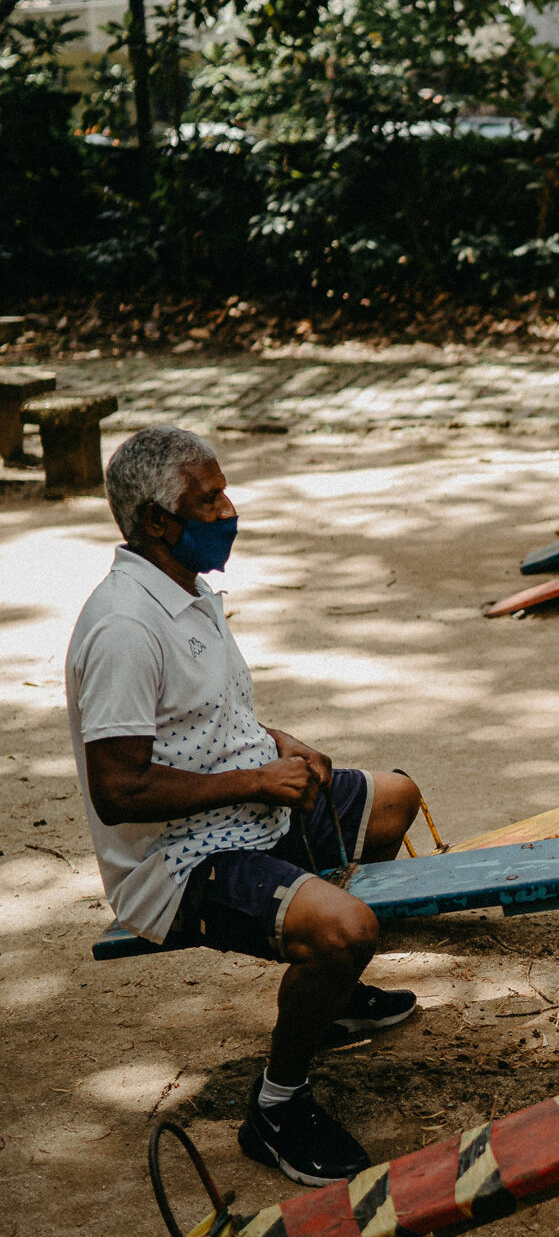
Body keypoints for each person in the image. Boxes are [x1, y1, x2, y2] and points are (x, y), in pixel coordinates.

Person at [66, 424, 424, 1184]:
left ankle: (331, 996)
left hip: (245, 812)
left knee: (395, 800)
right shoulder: (125, 627)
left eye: (224, 492)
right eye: (209, 500)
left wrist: (280, 744)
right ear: (158, 521)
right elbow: (118, 789)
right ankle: (277, 1107)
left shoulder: (186, 589)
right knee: (348, 929)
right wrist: (258, 780)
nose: (229, 510)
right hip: (177, 863)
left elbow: (207, 720)